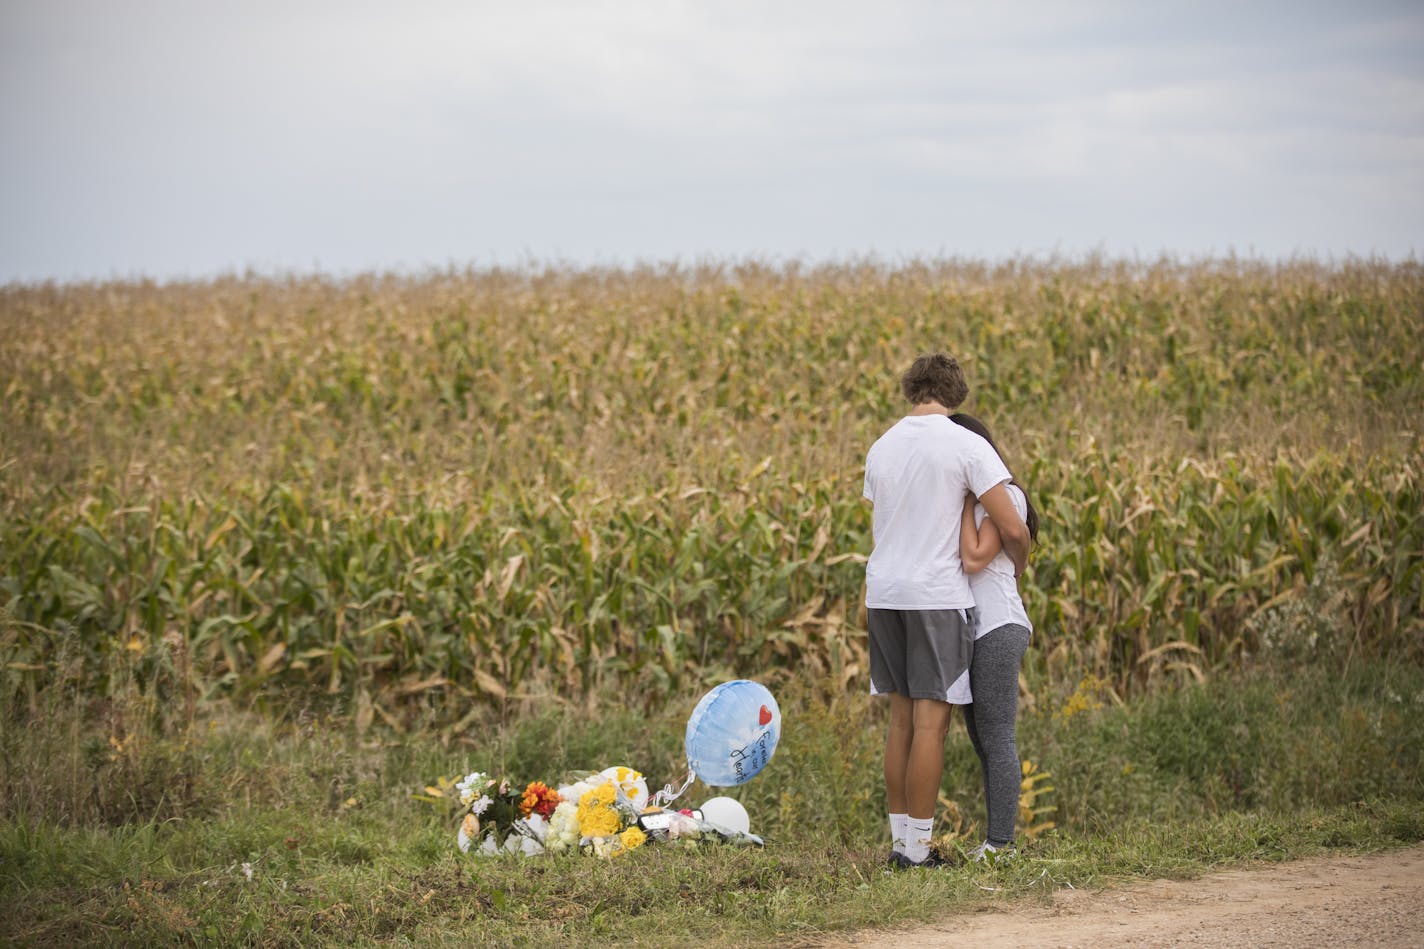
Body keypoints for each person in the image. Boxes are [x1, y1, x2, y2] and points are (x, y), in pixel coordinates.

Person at [863, 353, 1031, 869]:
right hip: (935, 595)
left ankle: (897, 846)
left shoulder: (881, 445)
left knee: (900, 724)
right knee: (932, 727)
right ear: (956, 393)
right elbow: (1015, 528)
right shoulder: (966, 444)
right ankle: (917, 853)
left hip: (884, 592)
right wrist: (1021, 566)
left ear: (912, 388)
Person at [952, 412, 1039, 862]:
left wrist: (966, 502)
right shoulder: (983, 500)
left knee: (998, 735)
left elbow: (974, 557)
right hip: (977, 628)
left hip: (999, 625)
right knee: (981, 737)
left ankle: (1002, 845)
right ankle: (994, 840)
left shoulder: (1001, 497)